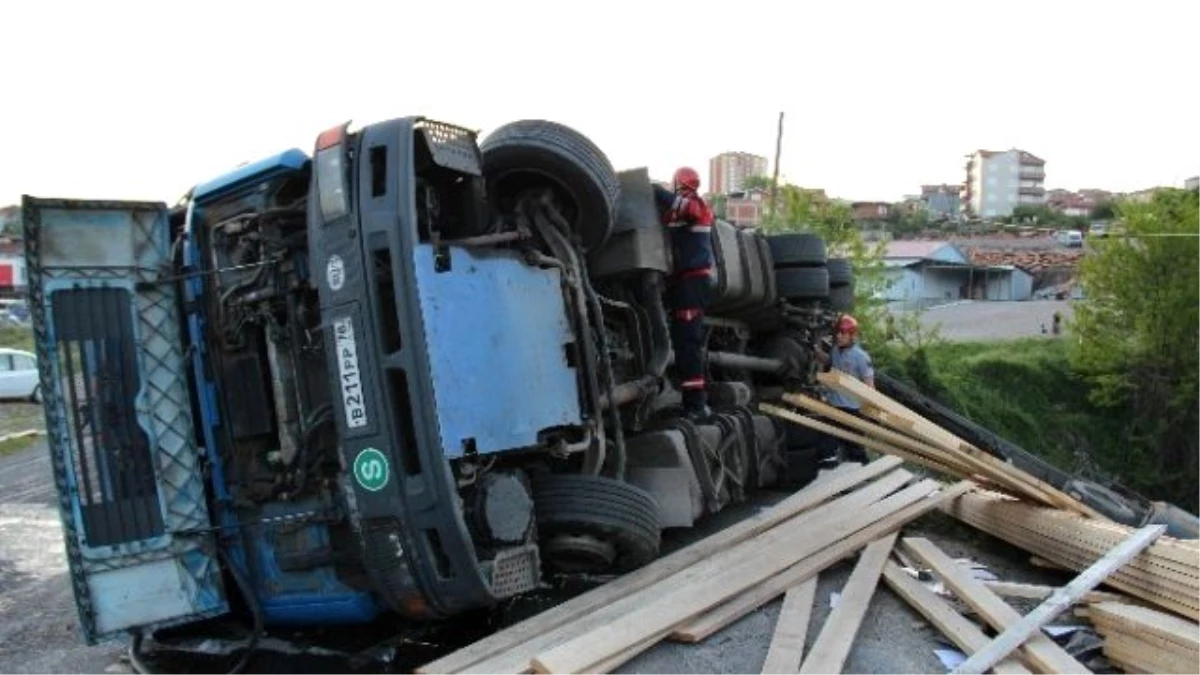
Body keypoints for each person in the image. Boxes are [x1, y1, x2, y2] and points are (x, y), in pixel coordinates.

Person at [653, 166, 716, 422]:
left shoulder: (696, 204)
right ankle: (690, 402)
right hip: (682, 282)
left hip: (693, 281)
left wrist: (655, 190)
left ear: (679, 184)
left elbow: (683, 209)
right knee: (683, 342)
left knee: (689, 343)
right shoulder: (679, 212)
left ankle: (697, 405)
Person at [817, 314, 875, 464]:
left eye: (843, 333)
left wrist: (869, 410)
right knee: (828, 441)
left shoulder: (861, 357)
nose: (839, 336)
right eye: (837, 333)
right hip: (833, 404)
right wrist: (816, 352)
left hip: (851, 409)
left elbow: (870, 385)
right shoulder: (836, 350)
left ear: (852, 335)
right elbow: (830, 362)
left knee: (855, 447)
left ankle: (864, 475)